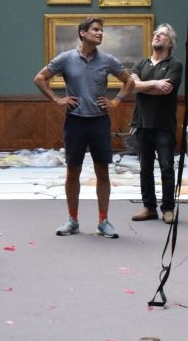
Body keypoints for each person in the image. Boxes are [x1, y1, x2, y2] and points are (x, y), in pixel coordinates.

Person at [34, 17, 135, 238]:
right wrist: (57, 100)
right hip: (75, 121)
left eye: (101, 30)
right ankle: (72, 220)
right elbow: (40, 78)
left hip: (99, 121)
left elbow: (130, 81)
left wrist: (116, 101)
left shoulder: (107, 60)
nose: (100, 33)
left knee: (103, 172)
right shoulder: (66, 59)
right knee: (73, 171)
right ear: (82, 33)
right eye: (95, 30)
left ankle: (103, 220)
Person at [129, 24, 182, 224]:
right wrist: (153, 84)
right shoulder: (141, 63)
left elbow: (165, 90)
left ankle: (168, 209)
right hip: (142, 123)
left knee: (167, 168)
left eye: (163, 34)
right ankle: (149, 208)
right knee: (145, 168)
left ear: (170, 43)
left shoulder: (174, 65)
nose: (158, 36)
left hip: (163, 125)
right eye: (156, 33)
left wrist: (143, 86)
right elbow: (132, 86)